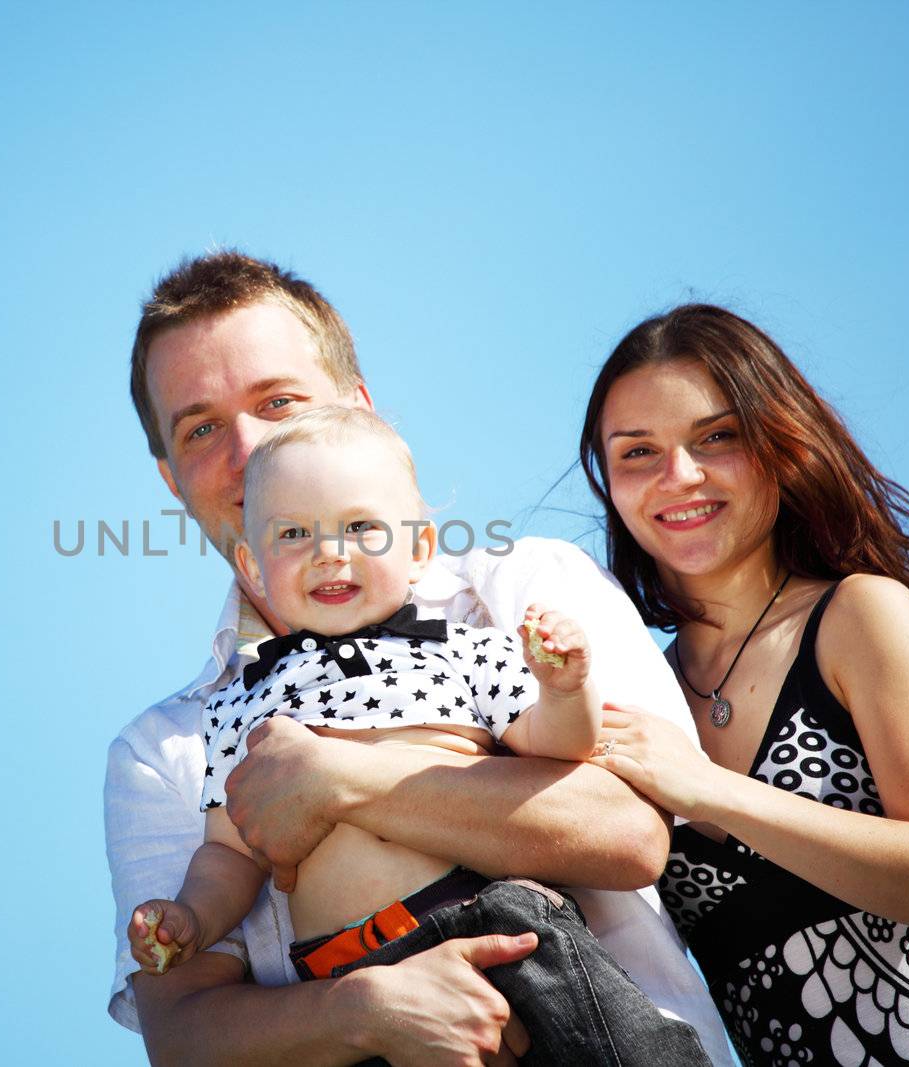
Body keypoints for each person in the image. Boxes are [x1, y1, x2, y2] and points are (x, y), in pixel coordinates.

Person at [105, 250, 735, 1066]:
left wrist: (342, 782)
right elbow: (183, 1034)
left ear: (362, 411)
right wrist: (361, 1007)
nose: (250, 447)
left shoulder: (517, 594)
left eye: (280, 401)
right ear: (169, 477)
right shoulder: (171, 746)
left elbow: (626, 832)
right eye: (200, 428)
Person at [576, 303, 909, 1066]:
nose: (680, 475)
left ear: (780, 441)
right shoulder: (645, 690)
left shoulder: (858, 614)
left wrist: (706, 788)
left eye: (717, 437)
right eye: (638, 452)